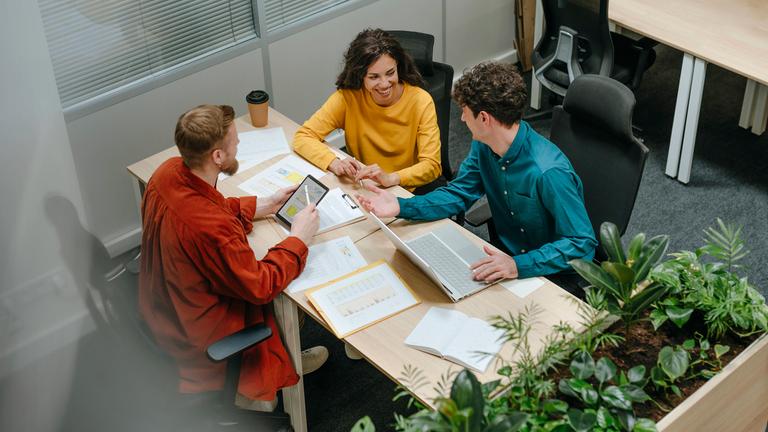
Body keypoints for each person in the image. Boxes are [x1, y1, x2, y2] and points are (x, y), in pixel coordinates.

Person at [139, 104, 328, 412]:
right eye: (235, 142)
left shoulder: (167, 172)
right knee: (288, 297)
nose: (238, 145)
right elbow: (261, 284)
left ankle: (288, 346)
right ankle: (266, 379)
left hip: (164, 307)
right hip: (203, 335)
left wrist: (263, 204)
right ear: (217, 156)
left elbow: (204, 206)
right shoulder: (213, 229)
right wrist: (298, 238)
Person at [357, 62, 597, 289]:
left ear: (484, 118)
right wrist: (402, 206)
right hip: (503, 261)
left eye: (464, 112)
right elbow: (458, 194)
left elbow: (582, 243)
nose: (461, 119)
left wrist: (517, 265)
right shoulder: (485, 145)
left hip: (552, 274)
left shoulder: (548, 172)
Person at [293, 28, 442, 191]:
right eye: (374, 77)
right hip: (366, 187)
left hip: (407, 189)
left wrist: (390, 178)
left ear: (398, 67)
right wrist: (333, 162)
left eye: (390, 73)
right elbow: (303, 136)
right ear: (360, 75)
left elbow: (432, 165)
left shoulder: (420, 101)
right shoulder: (348, 98)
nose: (384, 84)